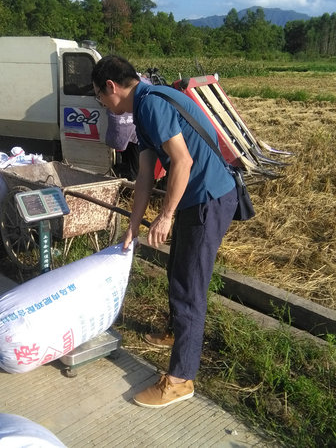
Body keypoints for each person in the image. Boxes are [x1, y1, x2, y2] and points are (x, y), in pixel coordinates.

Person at [92, 55, 238, 408]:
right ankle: (176, 333)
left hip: (208, 198)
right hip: (195, 197)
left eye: (99, 97)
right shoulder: (143, 107)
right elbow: (145, 175)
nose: (102, 104)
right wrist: (132, 225)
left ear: (111, 87)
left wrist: (166, 215)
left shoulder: (151, 105)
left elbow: (183, 161)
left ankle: (181, 380)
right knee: (177, 271)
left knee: (189, 286)